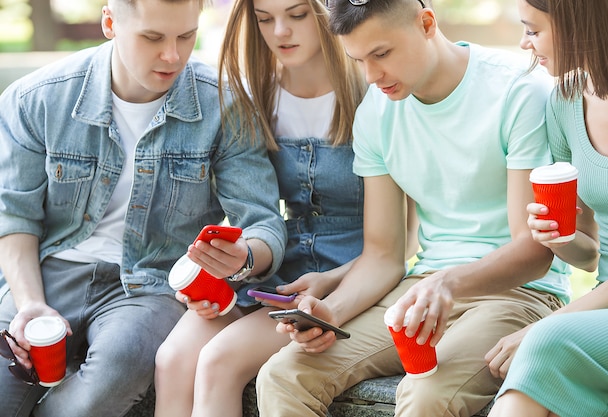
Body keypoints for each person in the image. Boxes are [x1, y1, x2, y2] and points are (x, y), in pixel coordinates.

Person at [254, 1, 573, 416]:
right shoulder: (375, 112)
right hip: (420, 292)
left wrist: (449, 283)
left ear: (426, 23)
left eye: (382, 54)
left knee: (426, 394)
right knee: (282, 375)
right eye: (359, 60)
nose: (372, 76)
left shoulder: (517, 91)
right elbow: (383, 255)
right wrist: (330, 312)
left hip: (516, 296)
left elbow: (533, 252)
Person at [0, 0, 287, 416]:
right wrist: (29, 304)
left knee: (116, 370)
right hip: (45, 274)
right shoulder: (37, 99)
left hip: (149, 285)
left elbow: (264, 223)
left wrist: (242, 258)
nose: (172, 55)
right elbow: (14, 217)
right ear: (110, 22)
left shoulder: (224, 103)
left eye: (185, 36)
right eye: (153, 38)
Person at [152, 0, 413, 416]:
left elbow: (404, 240)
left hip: (353, 276)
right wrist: (221, 270)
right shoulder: (255, 96)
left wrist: (329, 281)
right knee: (174, 359)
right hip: (278, 271)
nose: (279, 33)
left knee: (219, 361)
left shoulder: (375, 90)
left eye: (296, 15)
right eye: (264, 19)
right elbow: (256, 215)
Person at [486, 1, 608, 416]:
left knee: (543, 346)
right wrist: (562, 239)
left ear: (578, 24)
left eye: (533, 30)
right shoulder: (565, 101)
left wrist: (543, 326)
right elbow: (591, 256)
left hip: (598, 315)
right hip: (607, 308)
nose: (523, 43)